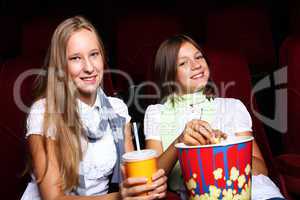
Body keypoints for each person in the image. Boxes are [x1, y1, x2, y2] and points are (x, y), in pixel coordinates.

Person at [21, 16, 167, 200]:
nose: (89, 67)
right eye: (76, 58)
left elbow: (129, 178)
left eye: (94, 54)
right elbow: (53, 197)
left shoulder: (117, 109)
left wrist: (149, 186)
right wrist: (118, 198)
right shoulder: (43, 113)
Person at [143, 34, 285, 200]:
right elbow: (152, 178)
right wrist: (180, 141)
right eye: (183, 63)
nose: (196, 65)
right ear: (169, 74)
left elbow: (262, 168)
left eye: (199, 57)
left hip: (257, 193)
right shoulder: (156, 113)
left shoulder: (232, 106)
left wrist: (223, 150)